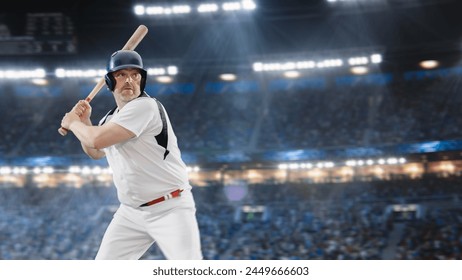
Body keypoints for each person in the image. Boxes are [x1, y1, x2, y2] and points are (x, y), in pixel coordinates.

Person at [60, 50, 203, 260]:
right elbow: (95, 152)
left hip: (169, 208)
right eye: (121, 75)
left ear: (142, 80)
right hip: (131, 212)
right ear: (109, 81)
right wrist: (85, 123)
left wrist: (73, 123)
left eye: (135, 75)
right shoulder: (111, 118)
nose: (129, 80)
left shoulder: (146, 106)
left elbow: (96, 140)